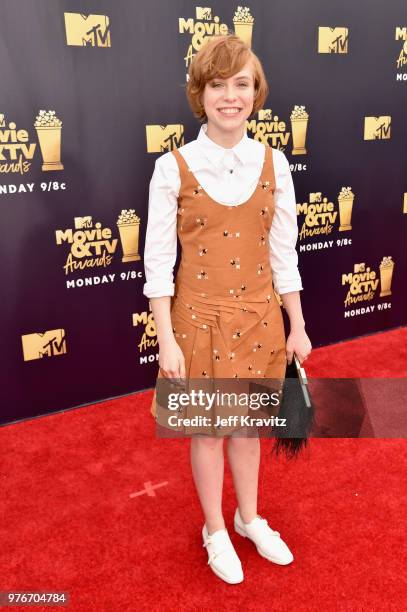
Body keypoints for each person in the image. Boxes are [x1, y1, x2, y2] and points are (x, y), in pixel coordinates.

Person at [143, 34, 312, 584]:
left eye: (241, 84)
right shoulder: (173, 169)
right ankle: (214, 528)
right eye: (218, 85)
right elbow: (159, 261)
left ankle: (249, 518)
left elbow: (283, 250)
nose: (230, 96)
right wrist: (165, 338)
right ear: (201, 93)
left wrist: (298, 323)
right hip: (198, 323)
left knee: (246, 428)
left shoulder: (276, 163)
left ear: (255, 93)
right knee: (208, 431)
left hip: (261, 318)